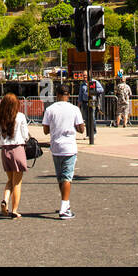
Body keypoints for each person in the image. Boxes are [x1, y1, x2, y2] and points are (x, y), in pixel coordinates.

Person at [42, 84, 86, 219]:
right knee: (67, 177)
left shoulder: (50, 109)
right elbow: (81, 129)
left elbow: (45, 130)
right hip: (69, 147)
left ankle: (65, 205)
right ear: (68, 95)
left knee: (60, 177)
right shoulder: (74, 109)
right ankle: (64, 208)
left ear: (57, 95)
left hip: (55, 147)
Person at [0, 93, 29, 217]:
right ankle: (14, 210)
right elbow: (25, 135)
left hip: (5, 151)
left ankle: (5, 200)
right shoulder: (20, 117)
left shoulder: (0, 118)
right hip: (17, 149)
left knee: (10, 180)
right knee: (17, 183)